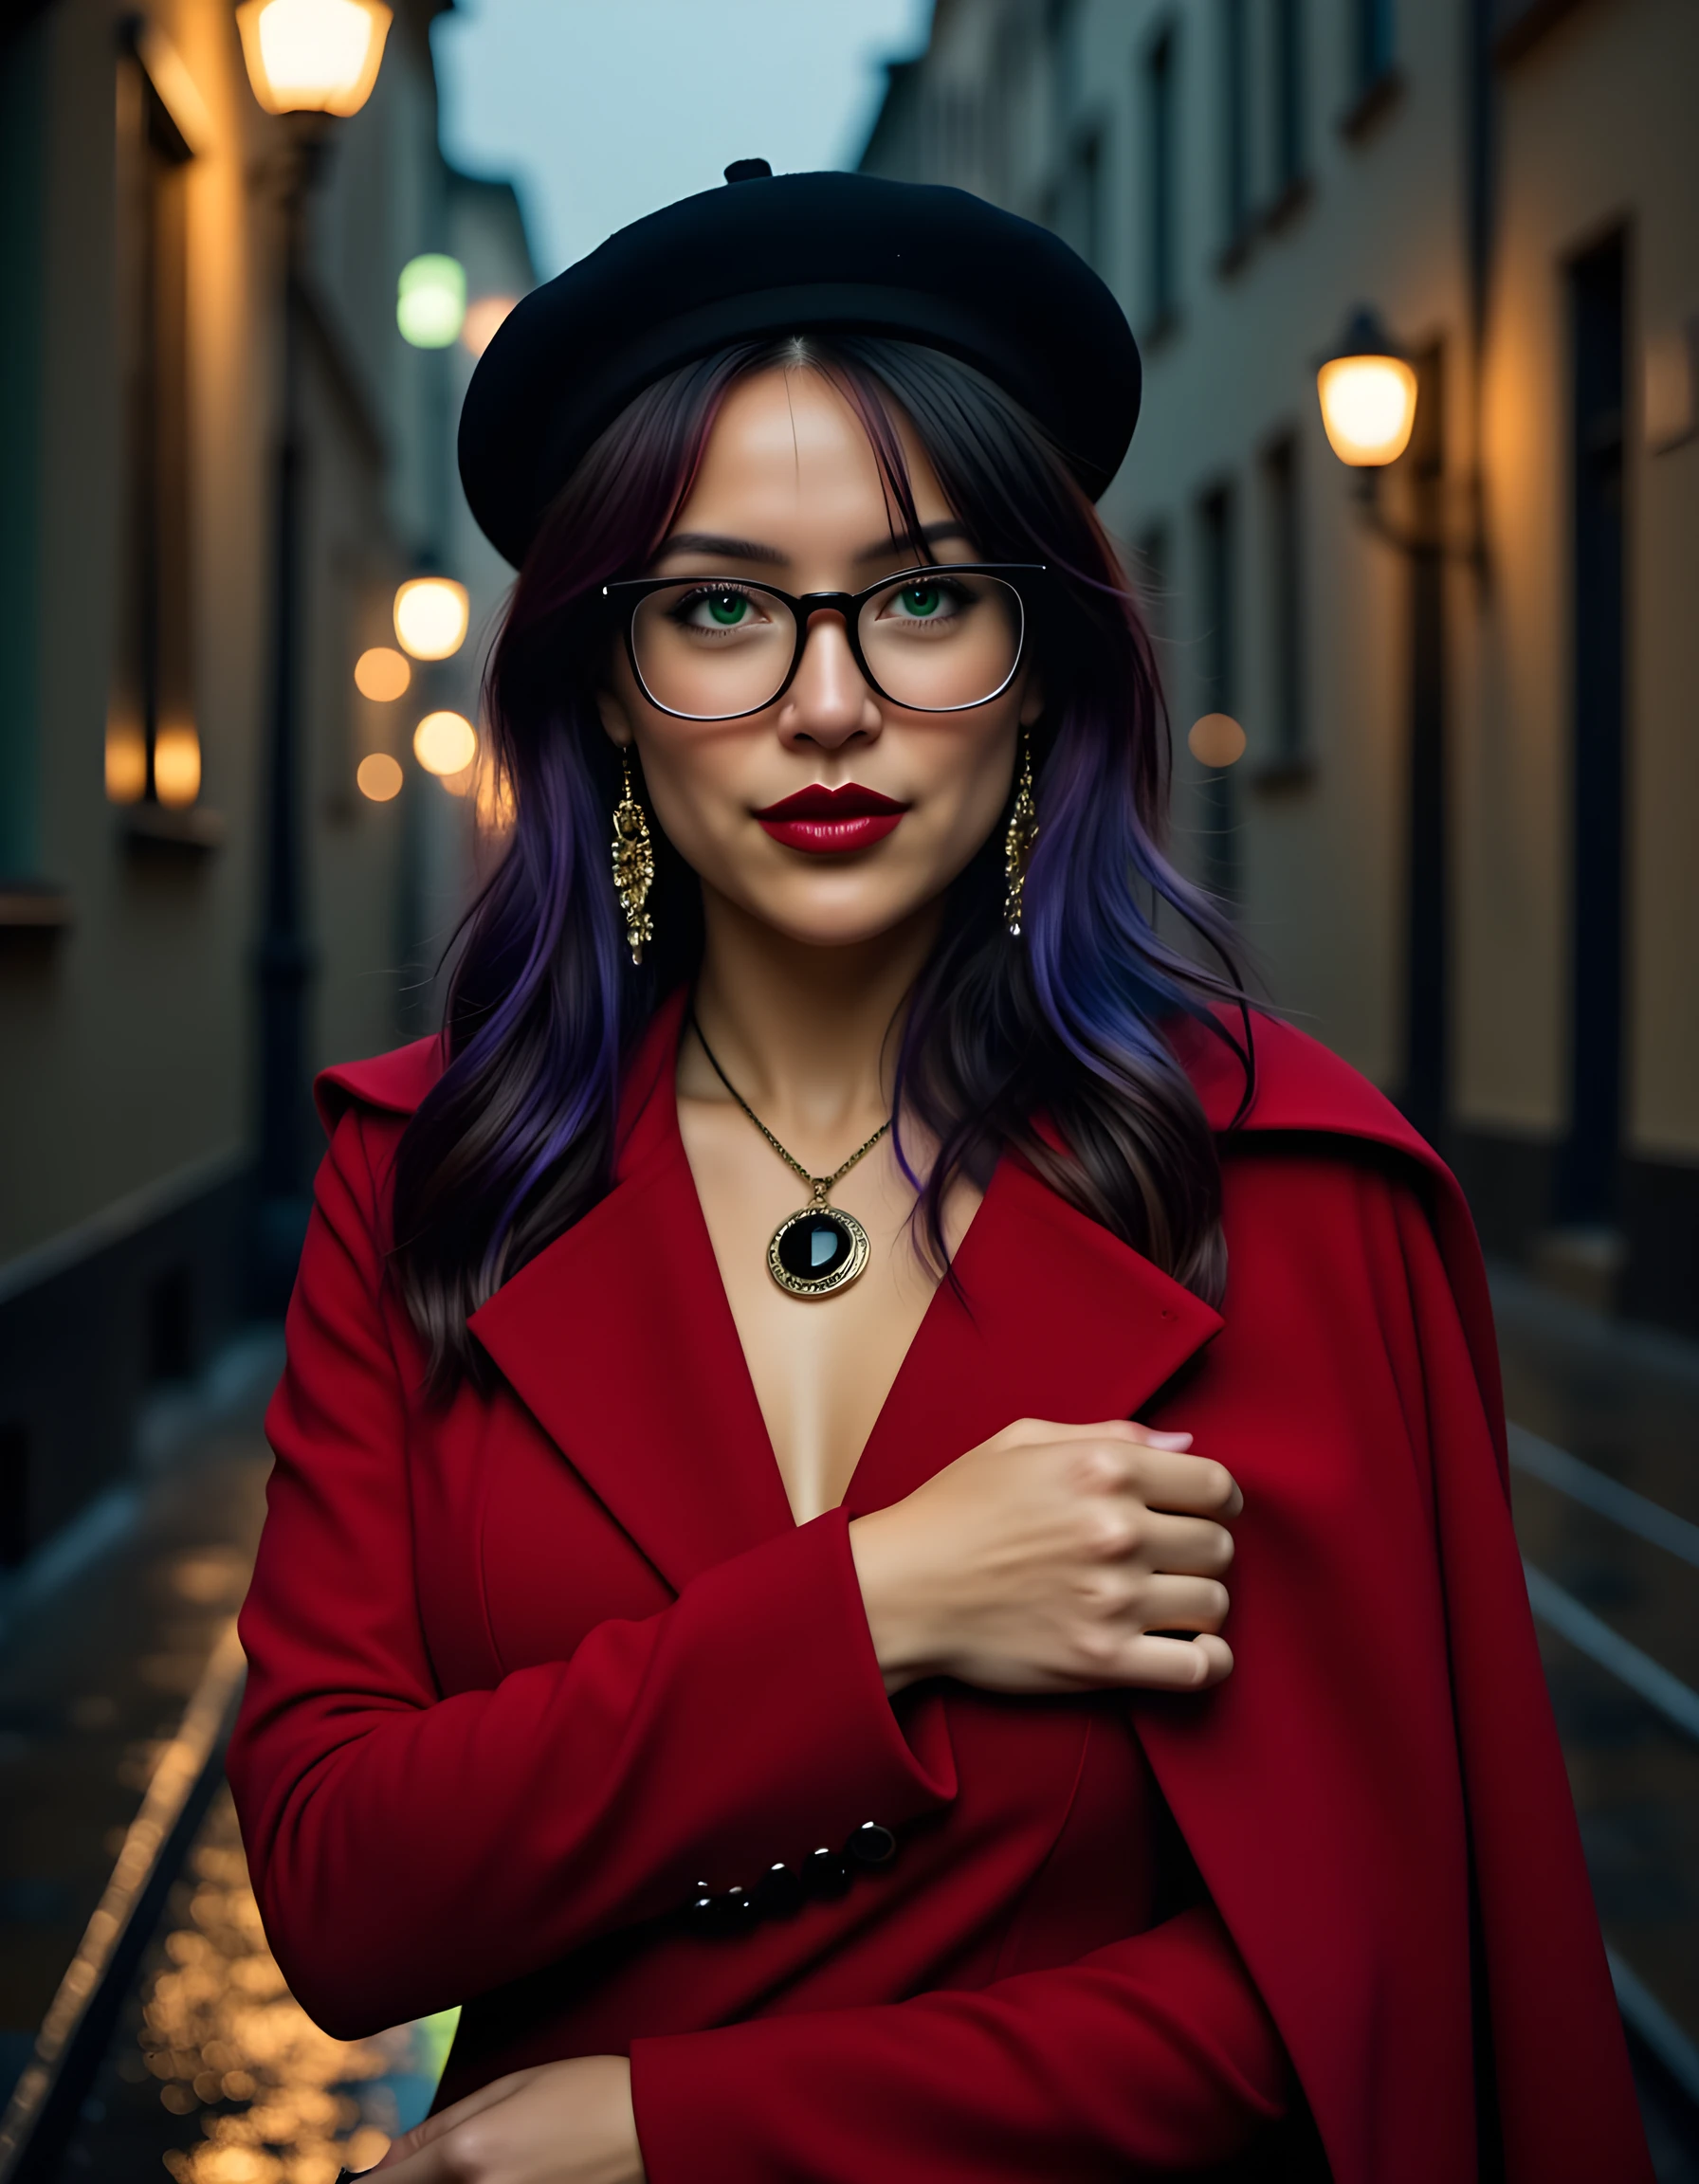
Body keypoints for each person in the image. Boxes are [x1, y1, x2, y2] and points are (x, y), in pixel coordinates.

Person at [227, 167, 1650, 2184]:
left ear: (1044, 662)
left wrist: (668, 2125)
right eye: (717, 607)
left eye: (919, 600)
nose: (828, 705)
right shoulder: (428, 1177)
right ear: (606, 691)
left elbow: (1355, 1986)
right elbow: (342, 1894)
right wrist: (880, 1602)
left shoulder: (1289, 1188)